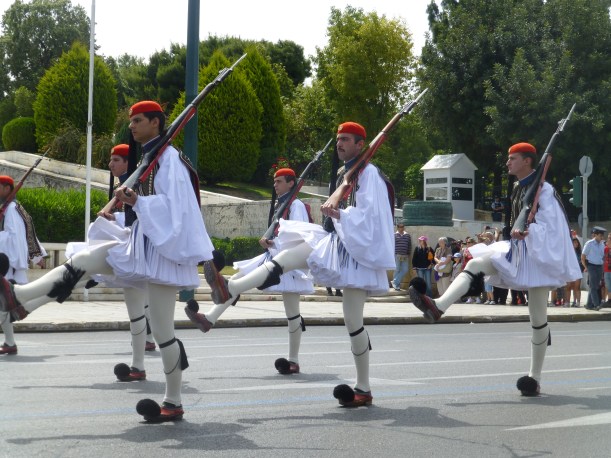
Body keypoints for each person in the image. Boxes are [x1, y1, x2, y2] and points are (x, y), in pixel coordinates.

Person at [0, 100, 216, 423]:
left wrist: (138, 201)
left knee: (162, 332)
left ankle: (174, 400)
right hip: (139, 244)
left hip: (162, 253)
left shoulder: (171, 161)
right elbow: (139, 197)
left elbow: (179, 211)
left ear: (156, 123)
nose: (132, 126)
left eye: (139, 120)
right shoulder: (149, 157)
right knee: (85, 258)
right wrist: (123, 202)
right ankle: (20, 297)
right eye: (132, 121)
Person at [187, 121, 395, 407]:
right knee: (290, 255)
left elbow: (374, 219)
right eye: (338, 140)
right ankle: (230, 286)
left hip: (357, 251)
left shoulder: (369, 174)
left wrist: (340, 214)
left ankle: (363, 388)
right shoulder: (347, 173)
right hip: (338, 242)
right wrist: (337, 214)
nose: (340, 145)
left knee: (353, 322)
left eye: (346, 140)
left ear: (361, 144)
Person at [408, 142, 581, 396]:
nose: (508, 162)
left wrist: (529, 231)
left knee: (538, 318)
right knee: (476, 262)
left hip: (538, 258)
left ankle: (534, 377)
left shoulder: (545, 190)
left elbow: (555, 229)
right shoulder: (517, 188)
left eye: (513, 158)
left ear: (528, 162)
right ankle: (438, 306)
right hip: (517, 250)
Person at [186, 167, 315, 375]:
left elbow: (299, 236)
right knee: (236, 280)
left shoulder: (296, 204)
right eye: (274, 181)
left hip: (288, 262)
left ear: (291, 183)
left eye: (279, 181)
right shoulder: (283, 203)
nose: (275, 185)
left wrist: (273, 243)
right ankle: (209, 319)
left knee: (292, 314)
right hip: (274, 257)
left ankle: (293, 360)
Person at [106, 144, 156, 354]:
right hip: (134, 239)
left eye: (116, 160)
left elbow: (141, 214)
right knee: (141, 298)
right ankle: (149, 338)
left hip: (143, 242)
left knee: (141, 297)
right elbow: (130, 217)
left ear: (128, 163)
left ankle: (150, 340)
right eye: (111, 160)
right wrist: (114, 216)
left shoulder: (137, 182)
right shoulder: (124, 183)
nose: (111, 165)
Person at [0, 175, 46, 355]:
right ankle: (10, 343)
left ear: (7, 188)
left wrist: (36, 255)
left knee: (7, 304)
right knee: (3, 306)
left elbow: (23, 235)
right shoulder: (6, 208)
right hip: (5, 262)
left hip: (8, 264)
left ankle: (10, 342)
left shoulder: (13, 208)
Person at [581, 226, 606, 310]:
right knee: (593, 286)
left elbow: (603, 256)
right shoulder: (589, 243)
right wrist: (586, 267)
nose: (602, 237)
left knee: (594, 286)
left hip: (599, 267)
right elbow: (583, 256)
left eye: (602, 236)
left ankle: (589, 305)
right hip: (591, 266)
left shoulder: (602, 244)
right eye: (600, 235)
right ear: (595, 235)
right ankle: (596, 304)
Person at [392, 223, 411, 291]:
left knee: (405, 269)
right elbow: (392, 245)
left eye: (403, 226)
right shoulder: (394, 235)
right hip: (397, 255)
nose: (402, 228)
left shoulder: (407, 235)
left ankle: (395, 281)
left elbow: (409, 245)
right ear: (397, 228)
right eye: (400, 227)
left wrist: (408, 253)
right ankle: (396, 285)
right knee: (397, 269)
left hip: (405, 255)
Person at [565, 237, 583, 307]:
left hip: (577, 271)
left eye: (576, 242)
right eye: (574, 242)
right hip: (569, 270)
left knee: (577, 287)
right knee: (568, 287)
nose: (575, 244)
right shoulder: (567, 251)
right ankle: (567, 302)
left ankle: (577, 302)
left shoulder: (580, 252)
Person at [603, 233, 611, 307]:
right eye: (608, 238)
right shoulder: (605, 248)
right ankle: (609, 300)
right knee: (608, 286)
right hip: (606, 270)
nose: (609, 239)